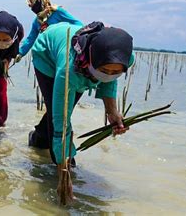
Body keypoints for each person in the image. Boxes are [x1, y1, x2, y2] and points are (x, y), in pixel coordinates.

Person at [29, 21, 135, 168]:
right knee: (59, 114)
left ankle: (38, 139)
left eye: (115, 72)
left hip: (83, 66)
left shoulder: (126, 57)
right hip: (46, 54)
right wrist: (65, 163)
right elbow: (61, 119)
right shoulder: (69, 69)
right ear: (92, 60)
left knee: (59, 110)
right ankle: (58, 163)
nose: (109, 75)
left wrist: (112, 112)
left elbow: (109, 79)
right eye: (104, 71)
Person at [14, 0, 83, 152]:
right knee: (54, 107)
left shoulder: (59, 13)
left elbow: (79, 25)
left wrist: (59, 15)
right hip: (46, 62)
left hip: (65, 60)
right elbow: (31, 39)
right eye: (30, 7)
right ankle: (47, 144)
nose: (31, 8)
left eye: (32, 5)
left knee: (61, 108)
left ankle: (43, 140)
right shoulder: (37, 21)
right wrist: (19, 53)